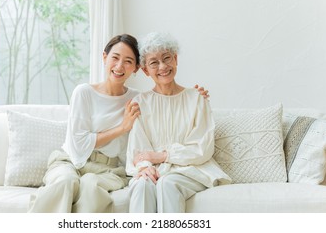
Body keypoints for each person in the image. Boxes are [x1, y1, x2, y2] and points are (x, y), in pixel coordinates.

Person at [28, 33, 210, 213]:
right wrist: (123, 128)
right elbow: (78, 147)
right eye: (115, 58)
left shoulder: (137, 99)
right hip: (71, 161)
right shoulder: (84, 92)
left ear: (137, 68)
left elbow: (143, 141)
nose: (120, 66)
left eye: (128, 61)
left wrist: (195, 97)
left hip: (108, 169)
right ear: (104, 57)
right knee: (65, 182)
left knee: (91, 186)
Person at [126, 32, 232, 213]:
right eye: (154, 62)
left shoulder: (197, 98)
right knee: (142, 183)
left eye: (167, 58)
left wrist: (161, 156)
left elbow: (202, 148)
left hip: (193, 170)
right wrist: (145, 167)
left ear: (175, 59)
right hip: (157, 169)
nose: (162, 66)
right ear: (145, 70)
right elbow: (138, 150)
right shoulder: (140, 103)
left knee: (167, 183)